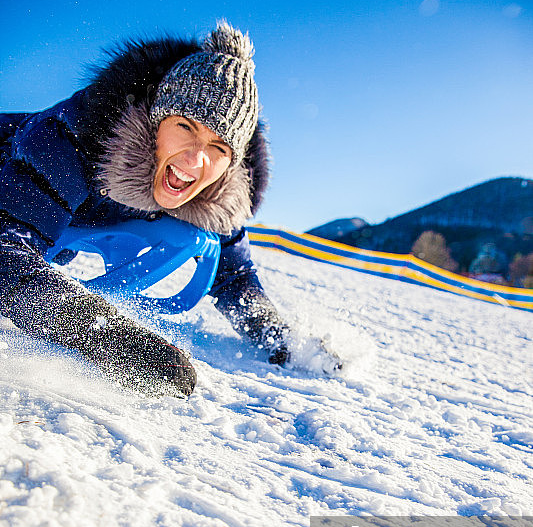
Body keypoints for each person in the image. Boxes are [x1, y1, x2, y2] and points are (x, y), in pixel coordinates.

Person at [0, 22, 339, 399]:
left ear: (232, 162)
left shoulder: (218, 192)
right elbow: (5, 251)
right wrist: (111, 340)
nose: (196, 159)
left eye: (219, 147)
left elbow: (235, 278)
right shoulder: (71, 139)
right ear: (154, 121)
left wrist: (284, 343)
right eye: (184, 126)